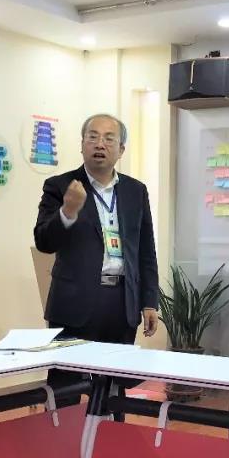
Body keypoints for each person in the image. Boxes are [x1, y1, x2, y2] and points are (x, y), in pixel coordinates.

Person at [34, 113, 160, 346]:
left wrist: (149, 302)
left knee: (118, 369)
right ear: (82, 145)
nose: (100, 144)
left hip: (123, 303)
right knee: (71, 371)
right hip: (74, 305)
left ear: (121, 150)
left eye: (109, 139)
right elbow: (44, 241)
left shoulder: (136, 191)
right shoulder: (60, 186)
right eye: (92, 137)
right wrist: (67, 212)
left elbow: (146, 250)